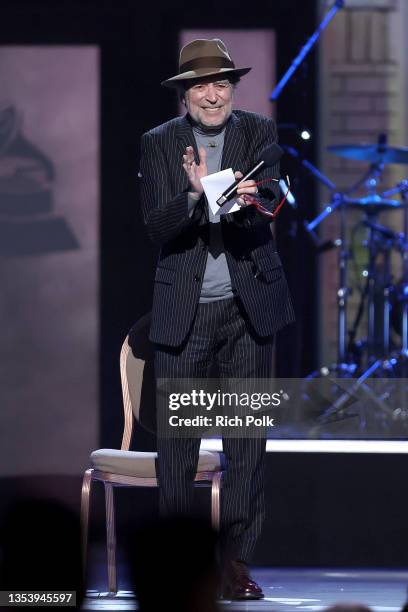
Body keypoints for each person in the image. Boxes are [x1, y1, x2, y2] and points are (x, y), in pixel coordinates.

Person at [139, 38, 294, 600]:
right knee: (177, 447)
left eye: (222, 84)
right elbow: (157, 227)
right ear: (184, 93)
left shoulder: (256, 132)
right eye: (201, 85)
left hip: (249, 309)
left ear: (233, 89)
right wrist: (196, 197)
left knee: (248, 443)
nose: (213, 94)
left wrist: (252, 201)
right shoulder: (159, 144)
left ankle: (234, 564)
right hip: (187, 312)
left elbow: (274, 202)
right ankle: (184, 564)